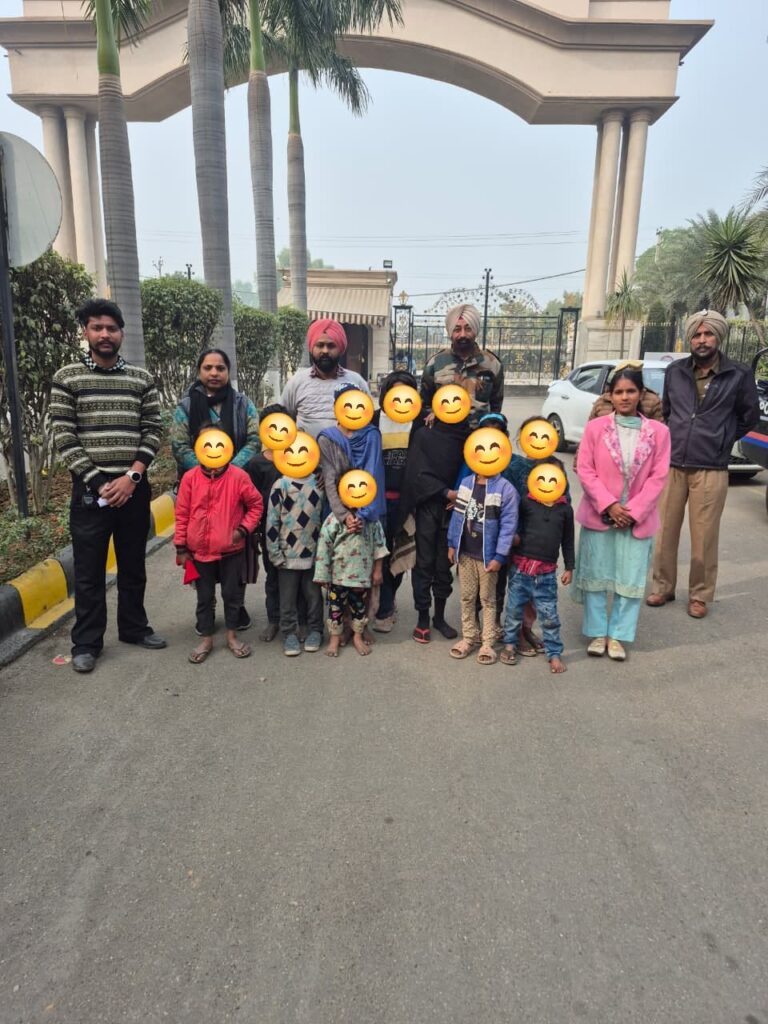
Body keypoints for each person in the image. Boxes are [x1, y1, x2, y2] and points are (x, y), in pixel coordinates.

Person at [50, 298, 166, 674]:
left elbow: (153, 430)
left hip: (133, 488)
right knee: (89, 571)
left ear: (121, 334)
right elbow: (65, 436)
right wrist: (100, 483)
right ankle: (86, 643)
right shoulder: (67, 378)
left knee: (133, 564)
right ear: (85, 332)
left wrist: (132, 477)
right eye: (97, 327)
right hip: (90, 492)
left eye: (111, 328)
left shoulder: (141, 379)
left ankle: (133, 628)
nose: (104, 334)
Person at [646, 310, 760, 619]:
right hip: (673, 463)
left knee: (705, 535)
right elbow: (668, 411)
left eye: (708, 334)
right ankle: (662, 586)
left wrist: (722, 439)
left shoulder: (738, 374)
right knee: (664, 530)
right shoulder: (676, 371)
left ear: (718, 337)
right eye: (697, 334)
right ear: (690, 339)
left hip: (711, 466)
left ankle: (699, 594)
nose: (702, 340)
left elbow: (748, 416)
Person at [573, 367, 671, 661]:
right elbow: (585, 469)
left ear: (641, 394)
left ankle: (618, 635)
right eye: (619, 392)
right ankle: (597, 632)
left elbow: (658, 476)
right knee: (596, 574)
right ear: (610, 396)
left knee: (630, 577)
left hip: (637, 516)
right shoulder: (595, 428)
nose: (625, 397)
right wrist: (609, 505)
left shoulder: (659, 432)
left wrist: (634, 510)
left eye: (630, 391)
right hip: (600, 512)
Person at [171, 348, 259, 630]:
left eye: (220, 368)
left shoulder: (243, 404)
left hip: (236, 488)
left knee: (237, 553)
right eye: (207, 367)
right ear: (199, 371)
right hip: (199, 488)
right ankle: (206, 607)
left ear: (228, 372)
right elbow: (179, 445)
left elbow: (255, 440)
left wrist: (229, 470)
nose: (214, 373)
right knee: (202, 552)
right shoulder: (186, 407)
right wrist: (205, 470)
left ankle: (237, 605)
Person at [174, 426, 263, 663]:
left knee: (232, 594)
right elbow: (181, 513)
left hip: (231, 551)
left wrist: (242, 530)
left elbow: (256, 505)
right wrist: (181, 546)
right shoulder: (190, 478)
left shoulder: (239, 477)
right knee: (204, 597)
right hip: (199, 552)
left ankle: (232, 636)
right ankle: (206, 638)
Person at [397, 410, 470, 643]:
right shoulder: (424, 435)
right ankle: (422, 618)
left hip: (454, 510)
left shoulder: (468, 436)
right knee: (424, 563)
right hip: (427, 505)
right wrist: (445, 492)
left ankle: (439, 617)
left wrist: (460, 495)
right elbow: (416, 472)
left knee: (444, 564)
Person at [501, 457, 574, 674]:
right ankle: (509, 645)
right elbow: (513, 524)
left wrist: (569, 567)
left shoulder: (565, 509)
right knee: (514, 610)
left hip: (547, 573)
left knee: (549, 615)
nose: (548, 482)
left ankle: (554, 654)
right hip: (521, 569)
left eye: (555, 477)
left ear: (563, 480)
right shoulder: (526, 502)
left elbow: (568, 540)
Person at [446, 454, 519, 666]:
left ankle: (487, 642)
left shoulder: (506, 489)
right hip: (466, 554)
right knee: (467, 597)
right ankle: (469, 637)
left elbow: (508, 526)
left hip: (488, 557)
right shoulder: (466, 483)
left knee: (487, 599)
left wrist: (500, 555)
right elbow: (457, 516)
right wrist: (452, 544)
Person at [371, 370, 417, 632]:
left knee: (398, 554)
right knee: (380, 553)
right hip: (377, 501)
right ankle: (381, 606)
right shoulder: (373, 419)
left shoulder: (419, 422)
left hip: (406, 503)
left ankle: (388, 603)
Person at [313, 496, 388, 658]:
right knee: (335, 609)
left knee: (359, 609)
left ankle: (357, 637)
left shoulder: (372, 520)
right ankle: (334, 638)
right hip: (337, 577)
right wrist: (322, 575)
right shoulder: (333, 519)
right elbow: (324, 546)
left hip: (361, 578)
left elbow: (379, 545)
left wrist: (378, 570)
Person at [266, 461, 325, 657]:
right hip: (287, 554)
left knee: (314, 596)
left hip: (314, 553)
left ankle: (316, 630)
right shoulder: (280, 485)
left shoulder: (319, 483)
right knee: (287, 598)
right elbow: (272, 521)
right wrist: (274, 553)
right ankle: (289, 633)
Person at [419, 303, 504, 429]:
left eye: (468, 329)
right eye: (457, 329)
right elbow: (425, 403)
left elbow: (496, 405)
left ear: (475, 331)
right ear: (450, 332)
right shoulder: (435, 363)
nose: (463, 335)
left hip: (479, 435)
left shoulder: (492, 364)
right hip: (446, 434)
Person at [280, 319, 369, 438]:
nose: (325, 351)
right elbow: (282, 421)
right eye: (320, 345)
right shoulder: (296, 383)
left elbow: (368, 423)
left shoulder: (356, 382)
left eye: (331, 346)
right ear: (312, 348)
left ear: (340, 349)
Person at [247, 403, 284, 642]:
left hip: (298, 529)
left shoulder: (302, 458)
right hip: (269, 531)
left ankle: (300, 620)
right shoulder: (255, 464)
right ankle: (274, 620)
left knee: (301, 575)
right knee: (273, 576)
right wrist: (254, 532)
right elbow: (252, 501)